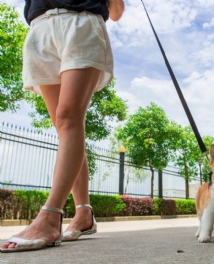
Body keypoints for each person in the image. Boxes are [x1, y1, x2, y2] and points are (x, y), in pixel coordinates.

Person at [0, 0, 125, 253]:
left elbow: (116, 11)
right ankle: (83, 212)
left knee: (69, 117)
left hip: (81, 22)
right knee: (64, 126)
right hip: (40, 29)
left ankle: (50, 216)